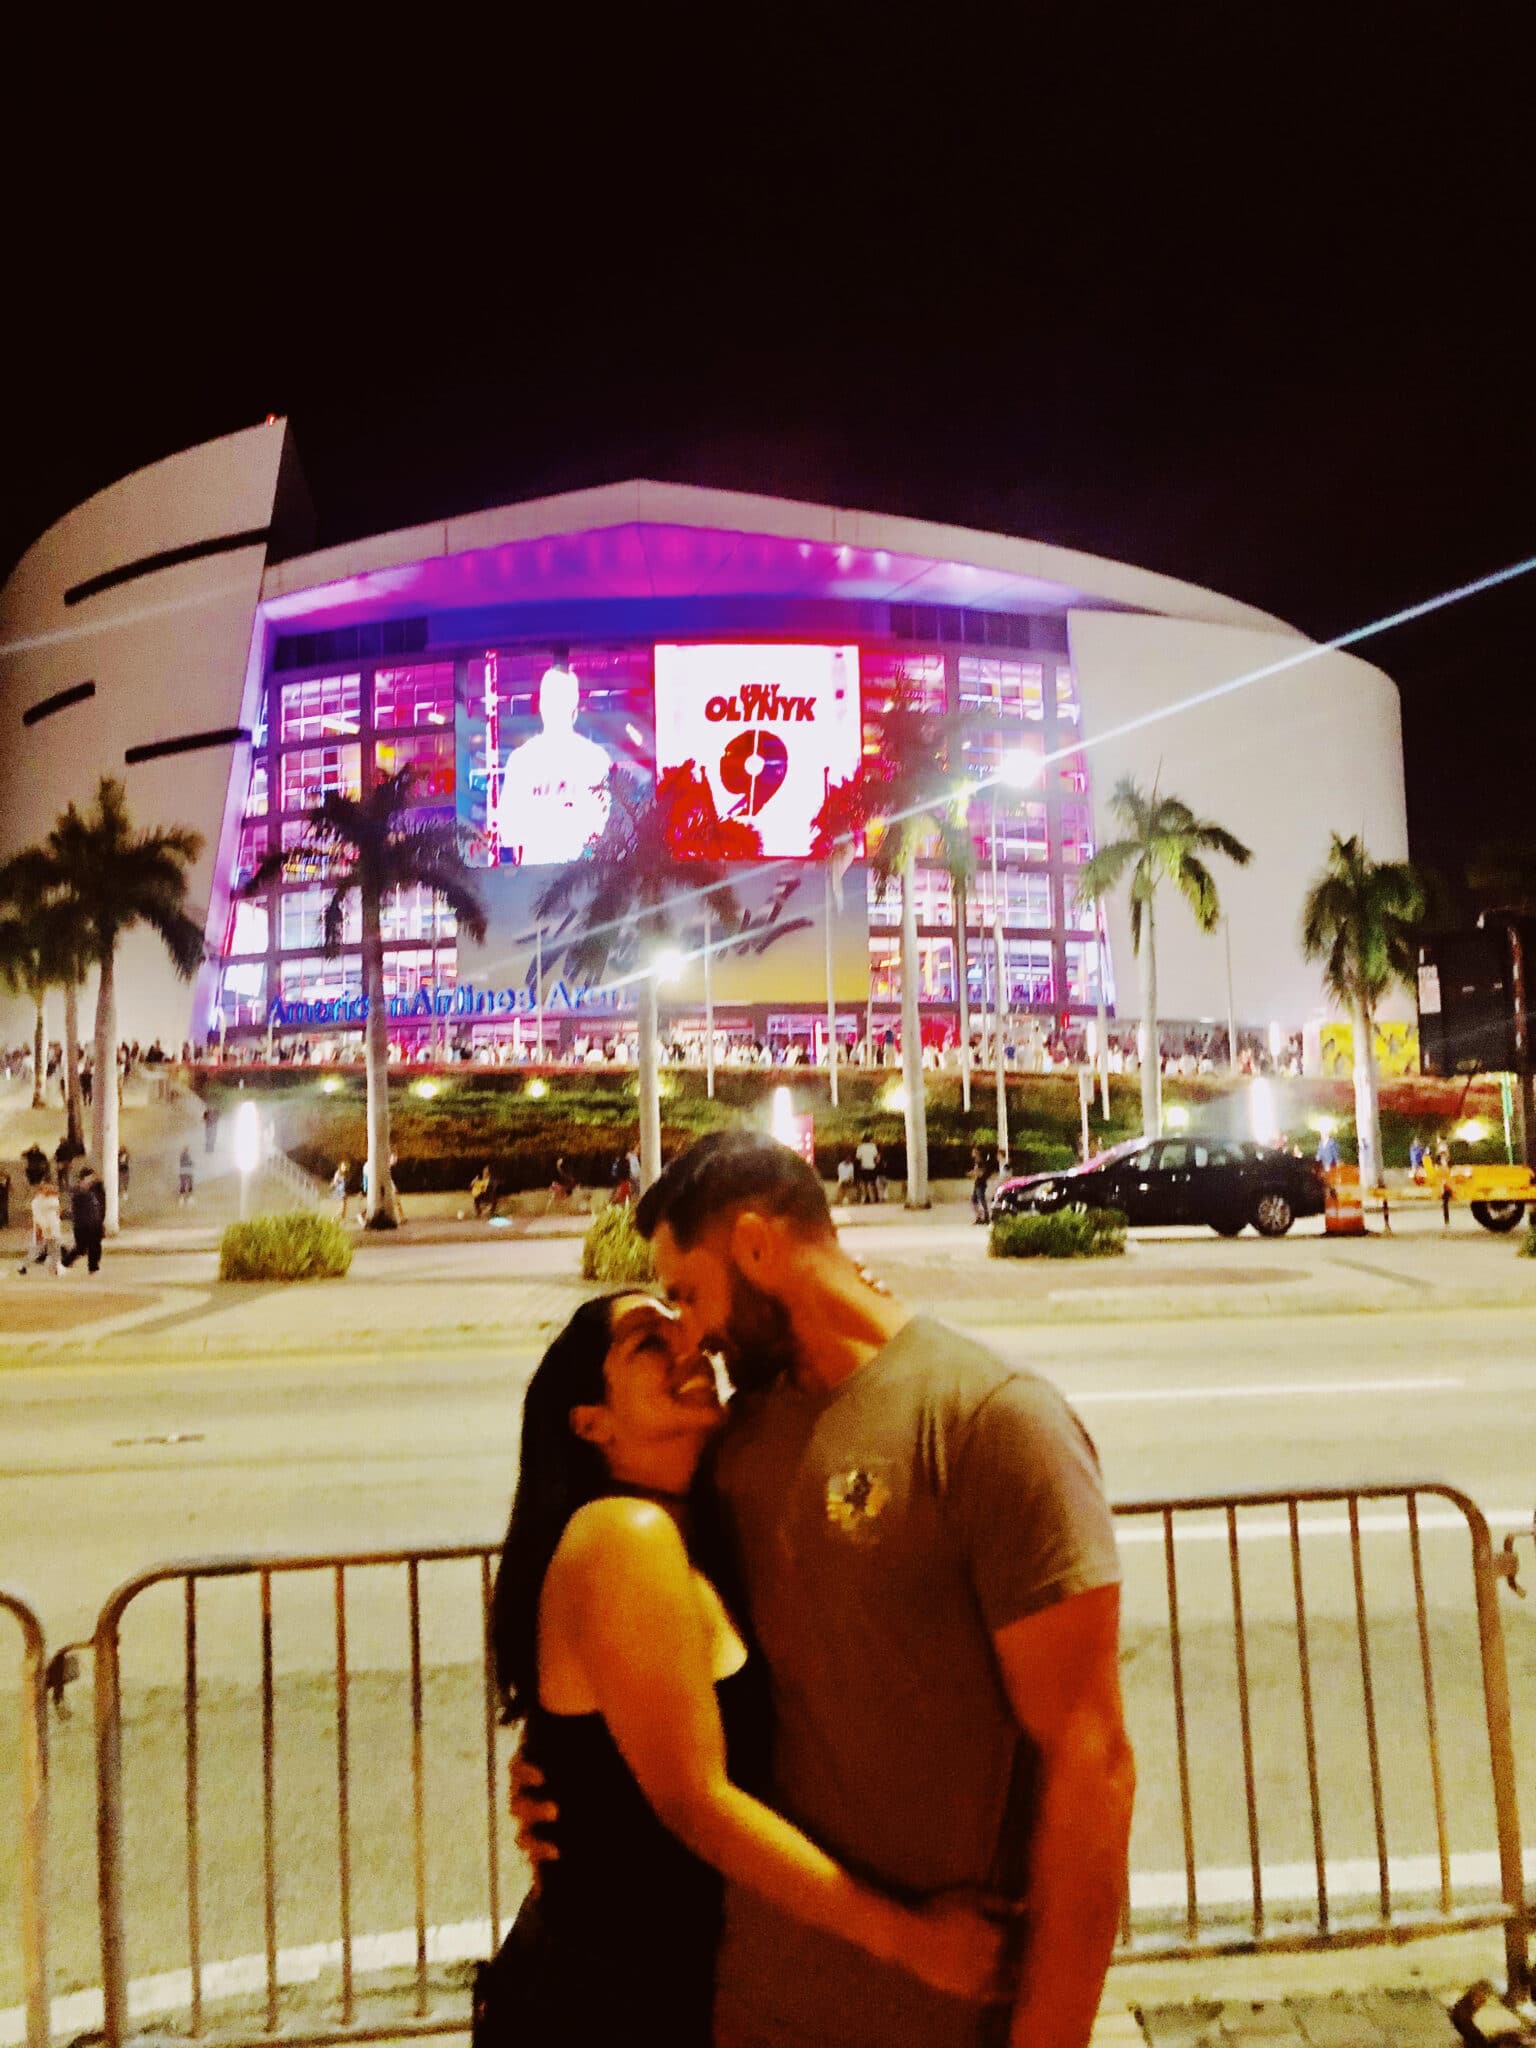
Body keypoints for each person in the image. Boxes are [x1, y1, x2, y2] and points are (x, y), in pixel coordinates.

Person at [516, 1133, 1133, 2048]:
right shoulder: (739, 1444)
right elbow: (664, 1688)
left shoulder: (991, 1422)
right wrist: (572, 1776)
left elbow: (1092, 1761)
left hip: (939, 2010)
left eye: (687, 1294)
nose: (693, 1333)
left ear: (758, 1246)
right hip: (748, 2003)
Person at [480, 1294, 1009, 2045]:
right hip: (606, 2001)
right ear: (589, 1421)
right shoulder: (623, 1536)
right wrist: (912, 1940)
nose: (688, 1349)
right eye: (647, 1345)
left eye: (684, 1331)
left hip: (680, 1989)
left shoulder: (694, 1533)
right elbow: (699, 1803)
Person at [495, 661, 613, 866]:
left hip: (545, 880)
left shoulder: (522, 761)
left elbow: (509, 830)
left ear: (541, 707)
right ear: (575, 711)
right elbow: (605, 828)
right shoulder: (595, 759)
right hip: (581, 880)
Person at [62, 1165, 106, 1274]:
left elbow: (102, 1205)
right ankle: (65, 1262)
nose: (92, 1179)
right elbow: (75, 1210)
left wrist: (101, 1220)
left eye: (93, 1177)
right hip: (82, 1224)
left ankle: (93, 1268)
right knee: (81, 1248)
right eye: (90, 1177)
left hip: (95, 1222)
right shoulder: (78, 1191)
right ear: (83, 1178)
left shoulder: (97, 1189)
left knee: (95, 1246)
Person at [18, 1178, 64, 1277]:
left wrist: (57, 1222)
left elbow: (58, 1211)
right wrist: (44, 1226)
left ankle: (55, 1268)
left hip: (54, 1226)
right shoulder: (36, 1201)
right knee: (38, 1249)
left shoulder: (54, 1198)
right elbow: (38, 1216)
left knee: (55, 1248)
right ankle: (24, 1265)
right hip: (43, 1227)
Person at [970, 1141, 994, 1226]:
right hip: (978, 1183)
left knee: (981, 1200)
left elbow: (981, 1173)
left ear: (976, 1152)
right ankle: (980, 1217)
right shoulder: (977, 1162)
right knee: (975, 1200)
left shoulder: (980, 1162)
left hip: (980, 1184)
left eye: (973, 1151)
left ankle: (985, 1217)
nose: (972, 1153)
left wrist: (973, 1173)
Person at [854, 1130, 879, 1205]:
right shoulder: (873, 1146)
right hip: (872, 1167)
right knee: (870, 1184)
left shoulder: (860, 1147)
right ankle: (872, 1199)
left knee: (863, 1184)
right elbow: (876, 1157)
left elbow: (858, 1158)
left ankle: (863, 1199)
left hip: (863, 1167)